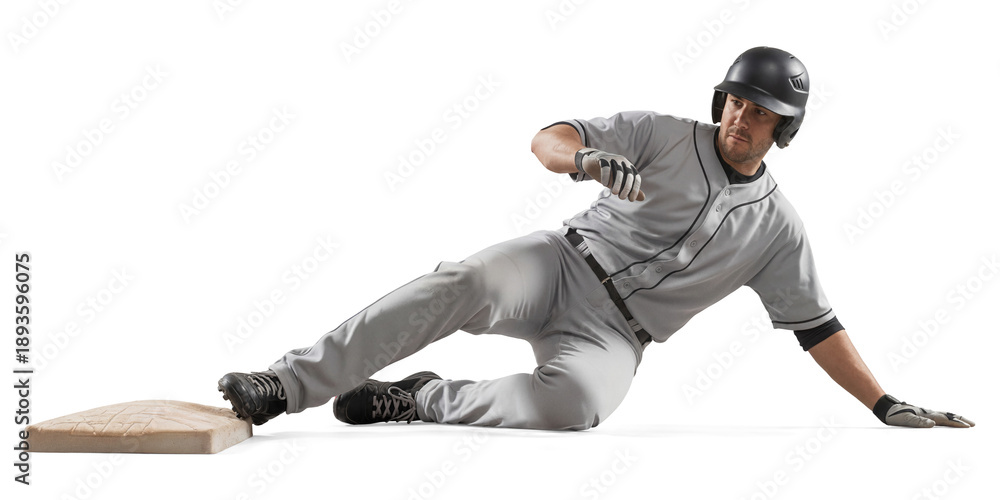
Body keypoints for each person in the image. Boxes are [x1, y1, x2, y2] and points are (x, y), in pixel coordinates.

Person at [218, 46, 973, 431]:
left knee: (576, 407)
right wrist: (579, 160)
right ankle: (286, 385)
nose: (743, 118)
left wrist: (884, 405)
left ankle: (419, 400)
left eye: (762, 112)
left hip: (617, 335)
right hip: (558, 264)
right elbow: (548, 136)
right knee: (465, 282)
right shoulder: (662, 132)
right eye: (737, 101)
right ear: (722, 99)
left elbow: (818, 327)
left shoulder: (778, 228)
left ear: (787, 129)